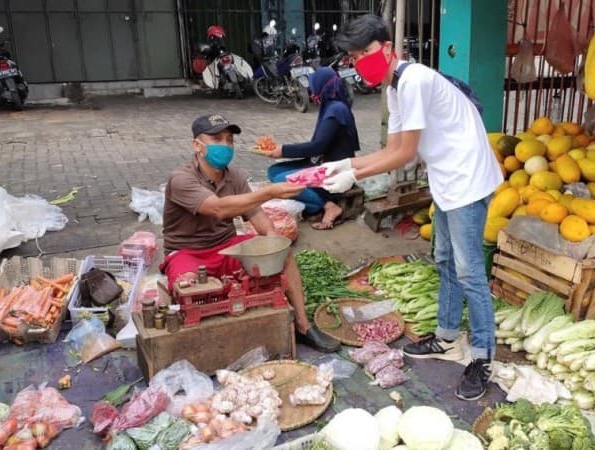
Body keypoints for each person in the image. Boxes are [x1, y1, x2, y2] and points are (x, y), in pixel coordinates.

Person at [325, 14, 504, 400]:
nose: (361, 61)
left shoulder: (416, 80)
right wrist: (347, 165)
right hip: (446, 179)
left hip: (468, 181)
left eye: (367, 52)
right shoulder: (395, 89)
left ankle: (483, 356)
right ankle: (445, 336)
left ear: (388, 48)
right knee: (443, 259)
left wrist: (353, 177)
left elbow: (405, 154)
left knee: (469, 270)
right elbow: (392, 150)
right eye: (354, 57)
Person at [159, 113, 341, 352]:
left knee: (284, 255)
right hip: (187, 253)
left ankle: (303, 325)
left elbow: (255, 213)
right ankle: (200, 346)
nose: (225, 145)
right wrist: (270, 192)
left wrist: (274, 241)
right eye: (216, 139)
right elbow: (217, 209)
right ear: (197, 146)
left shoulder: (235, 176)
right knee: (190, 287)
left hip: (229, 247)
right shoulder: (181, 178)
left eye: (229, 140)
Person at [266, 67, 359, 229]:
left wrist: (284, 150)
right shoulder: (331, 106)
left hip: (332, 169)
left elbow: (317, 147)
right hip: (320, 161)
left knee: (283, 180)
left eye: (313, 84)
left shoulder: (336, 109)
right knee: (273, 172)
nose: (310, 89)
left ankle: (328, 206)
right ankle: (312, 202)